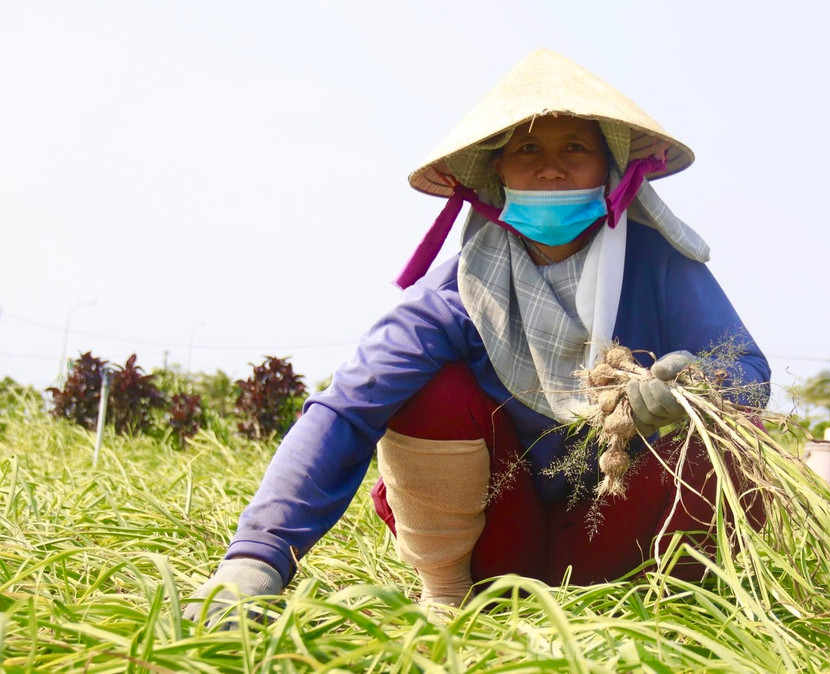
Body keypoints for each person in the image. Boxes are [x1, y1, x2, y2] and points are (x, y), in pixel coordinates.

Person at [184, 48, 770, 621]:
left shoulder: (658, 266)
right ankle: (447, 597)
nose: (551, 167)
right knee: (429, 392)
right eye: (527, 149)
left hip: (617, 536)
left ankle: (663, 607)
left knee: (736, 436)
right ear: (497, 174)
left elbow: (747, 372)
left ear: (612, 169)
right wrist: (256, 558)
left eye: (575, 147)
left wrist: (692, 387)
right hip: (495, 547)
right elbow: (346, 410)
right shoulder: (460, 293)